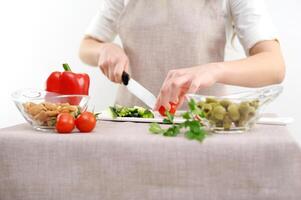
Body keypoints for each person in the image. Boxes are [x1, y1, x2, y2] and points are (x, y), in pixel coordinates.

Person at [79, 0, 285, 111]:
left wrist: (214, 69)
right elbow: (87, 46)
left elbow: (274, 66)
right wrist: (104, 49)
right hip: (132, 122)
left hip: (204, 126)